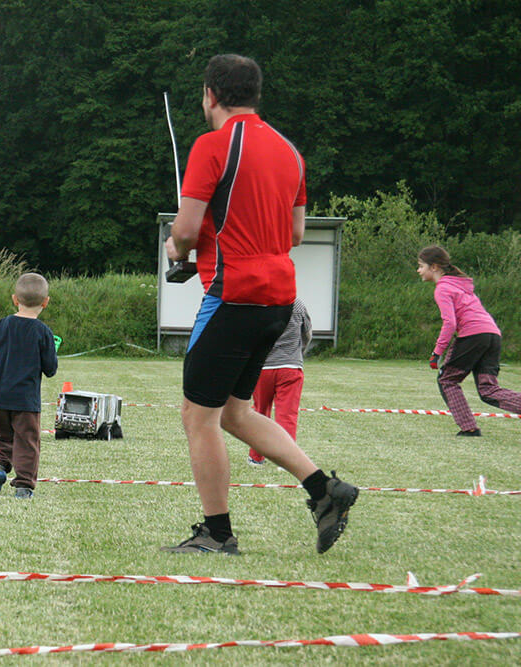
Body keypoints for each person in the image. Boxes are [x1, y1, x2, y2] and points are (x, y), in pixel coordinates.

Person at [162, 54, 357, 555]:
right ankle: (325, 490)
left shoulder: (212, 145)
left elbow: (185, 231)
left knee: (197, 416)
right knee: (235, 412)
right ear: (256, 94)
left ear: (210, 95)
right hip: (279, 299)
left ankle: (217, 533)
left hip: (233, 295)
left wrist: (178, 249)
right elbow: (295, 233)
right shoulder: (290, 152)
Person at [0, 273, 58, 499]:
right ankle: (24, 486)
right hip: (26, 400)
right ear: (45, 302)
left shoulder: (0, 326)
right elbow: (50, 369)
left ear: (15, 299)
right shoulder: (43, 332)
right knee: (27, 440)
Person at [417, 245, 521, 435]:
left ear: (434, 267)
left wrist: (437, 353)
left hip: (473, 336)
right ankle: (470, 427)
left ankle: (469, 428)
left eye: (421, 266)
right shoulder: (461, 285)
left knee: (447, 379)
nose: (418, 270)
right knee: (488, 389)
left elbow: (450, 323)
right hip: (492, 334)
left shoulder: (443, 288)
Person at [247, 298, 311, 465]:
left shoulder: (260, 303)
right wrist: (298, 353)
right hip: (290, 367)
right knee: (287, 415)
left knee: (259, 412)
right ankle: (287, 460)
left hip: (263, 367)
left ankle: (256, 457)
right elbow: (307, 334)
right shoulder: (298, 304)